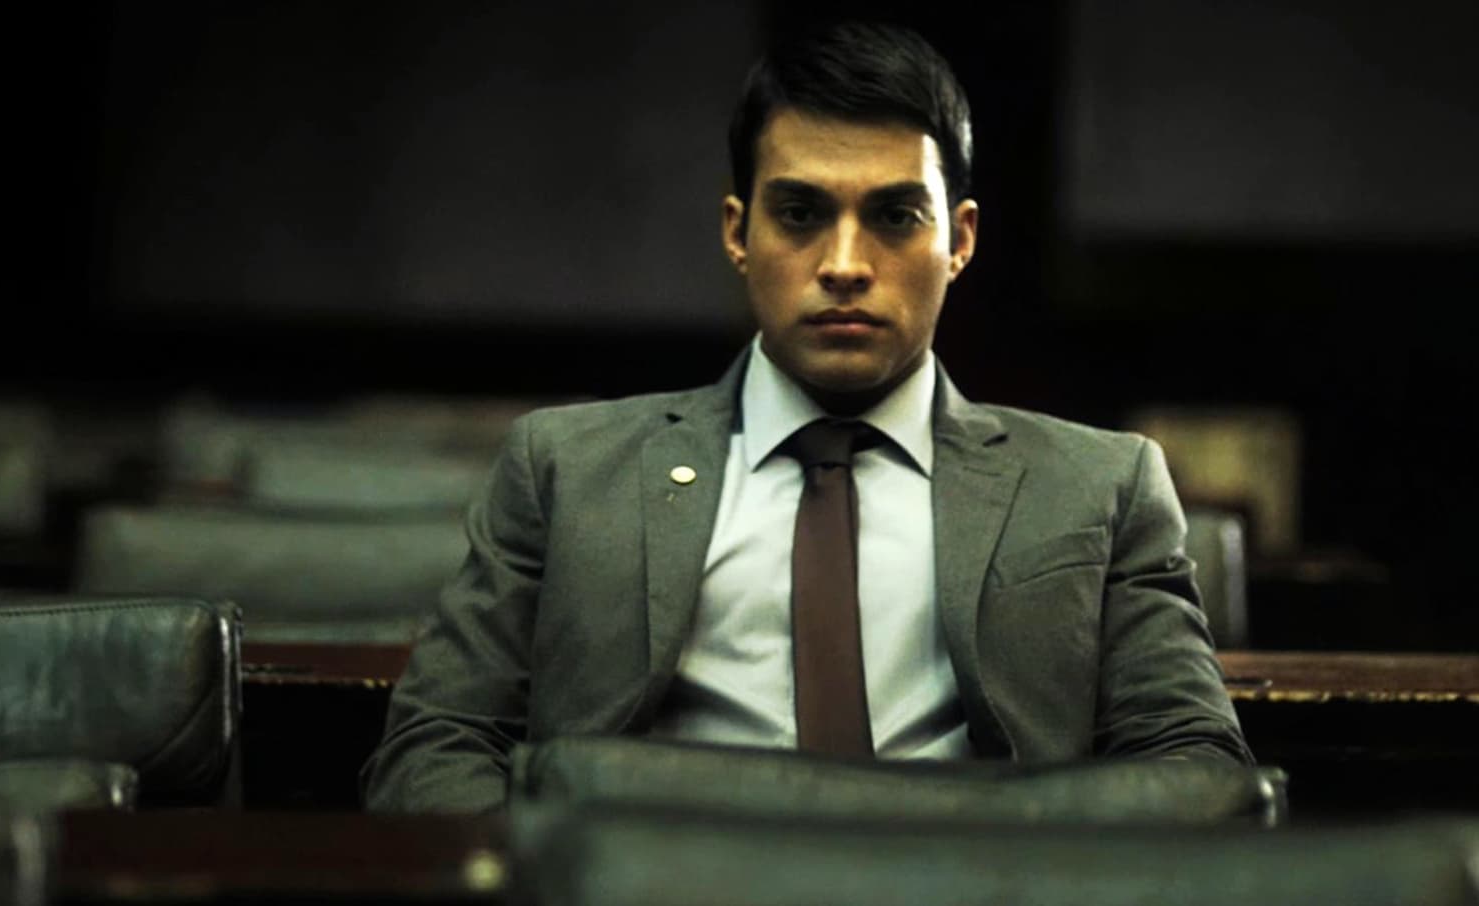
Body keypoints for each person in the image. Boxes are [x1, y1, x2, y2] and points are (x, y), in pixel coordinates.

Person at [362, 20, 1251, 814]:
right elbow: (436, 746)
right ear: (737, 232)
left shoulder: (1101, 484)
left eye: (895, 216)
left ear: (960, 241)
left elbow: (1199, 770)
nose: (845, 264)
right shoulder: (565, 469)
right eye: (800, 214)